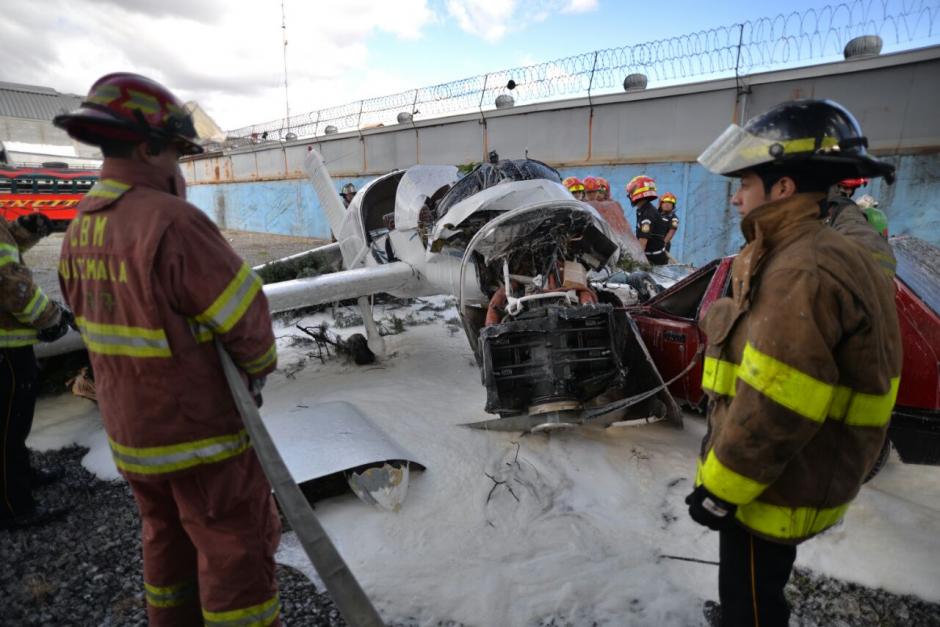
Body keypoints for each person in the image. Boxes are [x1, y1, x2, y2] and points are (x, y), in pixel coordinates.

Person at [54, 73, 281, 627]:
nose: (179, 167)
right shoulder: (172, 222)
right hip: (200, 438)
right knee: (234, 553)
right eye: (176, 153)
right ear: (147, 147)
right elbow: (247, 324)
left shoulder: (80, 228)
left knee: (165, 543)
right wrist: (256, 374)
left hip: (133, 435)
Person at [689, 99, 901, 627]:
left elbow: (777, 402)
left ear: (783, 187)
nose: (736, 197)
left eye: (745, 183)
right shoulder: (806, 249)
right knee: (754, 587)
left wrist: (722, 490)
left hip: (772, 480)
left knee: (751, 597)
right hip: (791, 469)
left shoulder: (801, 268)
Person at [0, 213, 73, 530]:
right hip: (6, 348)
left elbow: (5, 250)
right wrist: (51, 317)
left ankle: (21, 477)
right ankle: (13, 506)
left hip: (9, 345)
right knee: (7, 429)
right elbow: (11, 286)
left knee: (14, 424)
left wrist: (23, 232)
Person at [627, 174, 669, 265]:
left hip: (653, 261)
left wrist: (634, 262)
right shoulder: (643, 210)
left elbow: (643, 242)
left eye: (631, 193)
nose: (629, 196)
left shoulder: (647, 214)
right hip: (653, 257)